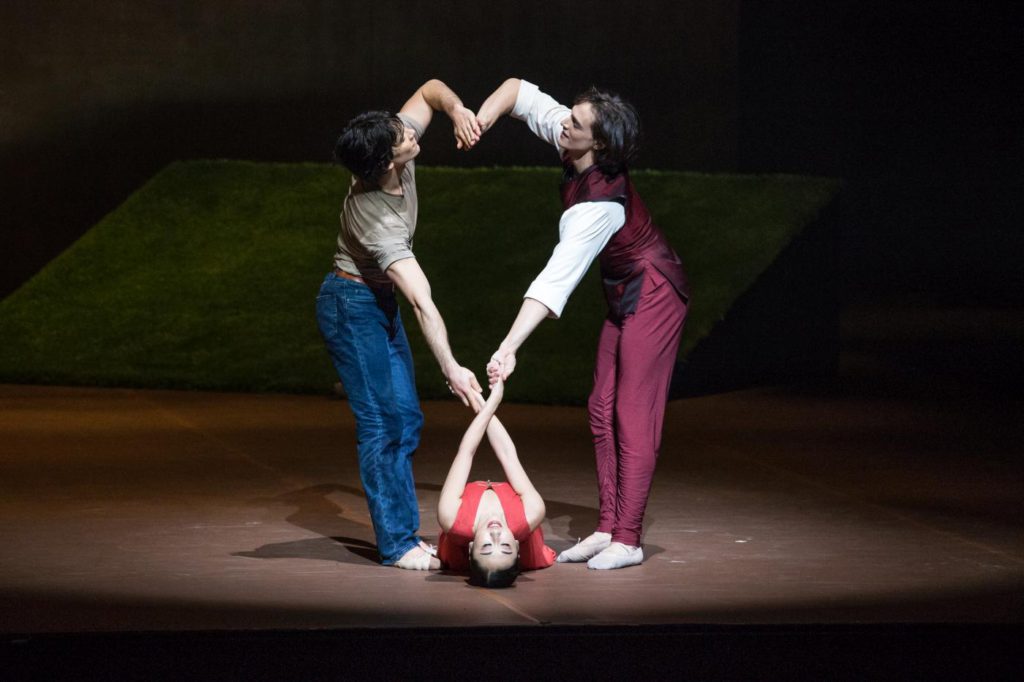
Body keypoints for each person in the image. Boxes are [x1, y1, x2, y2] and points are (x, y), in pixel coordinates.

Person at [475, 78, 690, 570]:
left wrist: (509, 346)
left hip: (655, 294)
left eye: (575, 122)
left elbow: (554, 282)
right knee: (600, 407)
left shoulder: (599, 206)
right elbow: (518, 93)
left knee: (632, 415)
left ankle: (629, 539)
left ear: (599, 144)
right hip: (624, 290)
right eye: (568, 116)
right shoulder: (576, 138)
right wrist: (482, 119)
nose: (563, 124)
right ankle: (607, 528)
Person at [316, 79, 483, 570]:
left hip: (376, 301)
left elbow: (431, 90)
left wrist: (457, 111)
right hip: (351, 306)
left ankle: (405, 534)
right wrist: (451, 367)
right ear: (387, 162)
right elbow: (422, 301)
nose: (411, 134)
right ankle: (397, 544)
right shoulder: (377, 220)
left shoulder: (391, 149)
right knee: (381, 424)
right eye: (402, 138)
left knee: (407, 418)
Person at [436, 379, 556, 586]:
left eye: (487, 547)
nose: (496, 534)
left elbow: (466, 453)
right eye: (506, 547)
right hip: (531, 544)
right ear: (518, 546)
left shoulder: (451, 516)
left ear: (471, 547)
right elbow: (508, 455)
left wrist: (483, 402)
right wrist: (487, 400)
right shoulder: (532, 512)